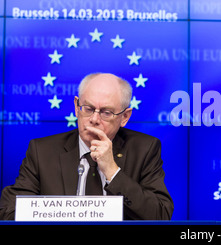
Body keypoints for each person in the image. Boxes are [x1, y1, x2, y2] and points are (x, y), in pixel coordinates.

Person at [0, 73, 174, 220]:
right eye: (88, 108)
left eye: (106, 112)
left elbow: (160, 214)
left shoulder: (145, 149)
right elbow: (9, 210)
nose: (94, 119)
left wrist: (113, 172)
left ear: (124, 117)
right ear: (77, 107)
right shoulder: (42, 151)